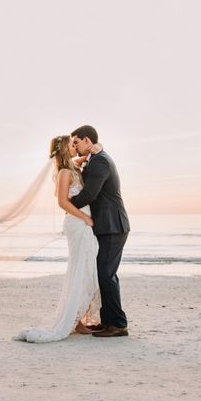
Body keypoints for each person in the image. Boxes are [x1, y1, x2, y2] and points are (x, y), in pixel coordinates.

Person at [13, 135, 102, 343]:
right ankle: (75, 320)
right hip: (77, 224)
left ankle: (78, 318)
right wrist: (85, 217)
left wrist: (97, 147)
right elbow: (62, 202)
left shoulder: (71, 167)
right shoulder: (63, 173)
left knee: (86, 269)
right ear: (64, 149)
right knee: (80, 270)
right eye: (72, 145)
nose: (75, 147)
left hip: (82, 224)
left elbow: (87, 155)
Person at [70, 125, 130, 338]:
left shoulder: (101, 161)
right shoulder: (95, 158)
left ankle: (118, 325)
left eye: (76, 142)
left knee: (106, 274)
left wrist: (66, 203)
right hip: (107, 226)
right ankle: (109, 321)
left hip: (113, 226)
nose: (74, 147)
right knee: (104, 274)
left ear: (87, 140)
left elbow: (89, 195)